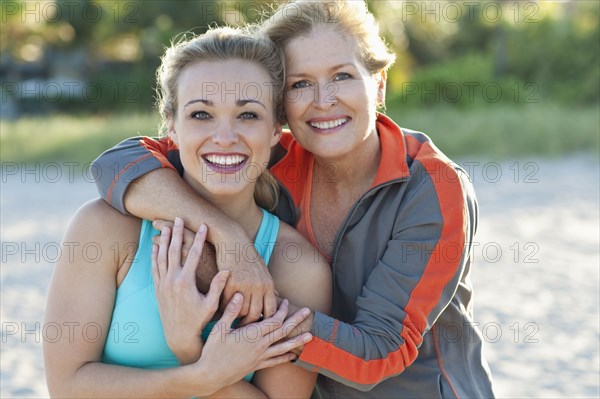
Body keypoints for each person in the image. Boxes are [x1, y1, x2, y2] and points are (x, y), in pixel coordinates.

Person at [91, 0, 495, 397]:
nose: (323, 100)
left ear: (379, 82)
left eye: (341, 76)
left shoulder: (434, 187)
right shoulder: (271, 153)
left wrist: (239, 306)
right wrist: (230, 240)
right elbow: (119, 161)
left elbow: (379, 354)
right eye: (300, 84)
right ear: (280, 107)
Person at [44, 26, 331, 398]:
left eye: (247, 115)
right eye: (201, 115)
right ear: (171, 128)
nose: (225, 137)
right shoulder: (104, 230)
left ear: (276, 129)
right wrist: (198, 377)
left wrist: (188, 348)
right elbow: (67, 387)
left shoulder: (298, 268)